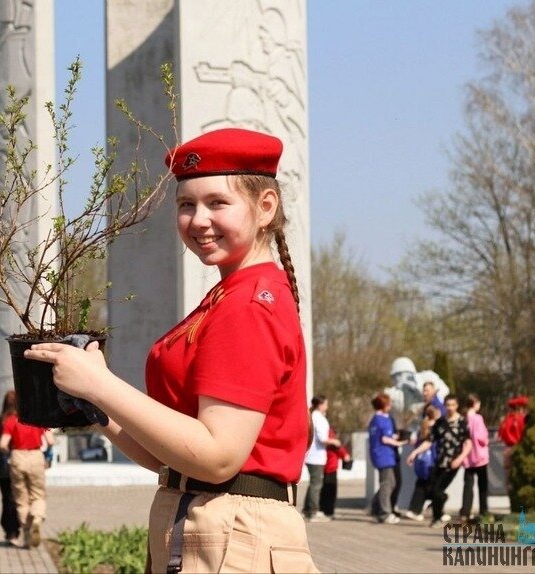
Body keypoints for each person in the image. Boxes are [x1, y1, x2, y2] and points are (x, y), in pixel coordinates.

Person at [24, 127, 318, 572]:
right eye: (186, 205)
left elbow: (218, 457)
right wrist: (96, 409)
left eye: (217, 203)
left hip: (234, 532)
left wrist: (100, 385)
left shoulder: (247, 306)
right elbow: (170, 456)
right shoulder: (228, 298)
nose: (198, 219)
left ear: (265, 207)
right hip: (214, 524)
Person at [406, 393, 472, 528]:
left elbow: (468, 443)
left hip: (453, 463)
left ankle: (438, 516)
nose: (450, 408)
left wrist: (460, 458)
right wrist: (415, 452)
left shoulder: (462, 422)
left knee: (437, 490)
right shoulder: (440, 422)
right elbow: (430, 441)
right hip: (439, 461)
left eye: (453, 405)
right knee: (434, 489)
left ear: (457, 406)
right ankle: (438, 515)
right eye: (448, 405)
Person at [0, 400, 54, 549]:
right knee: (38, 494)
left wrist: (9, 454)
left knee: (21, 499)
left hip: (18, 457)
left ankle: (27, 534)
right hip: (36, 456)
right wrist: (47, 455)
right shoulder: (38, 418)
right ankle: (37, 519)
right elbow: (50, 441)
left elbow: (2, 444)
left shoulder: (11, 421)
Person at [369, 393, 406, 524]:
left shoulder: (376, 419)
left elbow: (386, 435)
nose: (390, 406)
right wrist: (398, 443)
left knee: (390, 483)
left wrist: (396, 437)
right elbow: (385, 438)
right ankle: (385, 513)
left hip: (381, 455)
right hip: (384, 456)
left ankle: (375, 507)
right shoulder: (382, 419)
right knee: (387, 484)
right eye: (388, 404)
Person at [303, 395, 338, 523]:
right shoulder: (318, 418)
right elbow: (323, 439)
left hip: (312, 456)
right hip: (316, 457)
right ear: (320, 404)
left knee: (313, 483)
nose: (327, 407)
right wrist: (335, 442)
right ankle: (313, 511)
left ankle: (307, 509)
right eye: (326, 404)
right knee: (316, 485)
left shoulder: (313, 416)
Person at [0, 391, 21, 547]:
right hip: (17, 461)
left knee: (6, 498)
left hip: (2, 465)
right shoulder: (19, 420)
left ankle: (8, 528)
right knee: (17, 498)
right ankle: (14, 531)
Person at [403, 404, 440, 521]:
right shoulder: (434, 427)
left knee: (421, 484)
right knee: (434, 486)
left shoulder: (422, 427)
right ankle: (436, 510)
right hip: (432, 461)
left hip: (421, 461)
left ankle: (415, 509)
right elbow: (429, 443)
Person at [460, 394, 490, 523]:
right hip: (480, 456)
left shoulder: (463, 418)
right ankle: (484, 511)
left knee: (468, 485)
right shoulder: (478, 418)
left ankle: (465, 512)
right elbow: (481, 437)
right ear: (475, 403)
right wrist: (486, 441)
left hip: (467, 457)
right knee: (482, 485)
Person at [498, 395, 528, 496]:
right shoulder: (522, 419)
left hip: (508, 449)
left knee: (509, 478)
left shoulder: (506, 420)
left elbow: (501, 436)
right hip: (520, 448)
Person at [319, 425, 350, 519]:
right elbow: (337, 446)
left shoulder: (325, 434)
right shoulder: (330, 434)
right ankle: (328, 512)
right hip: (330, 467)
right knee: (330, 491)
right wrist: (345, 454)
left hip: (326, 466)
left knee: (325, 490)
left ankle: (323, 510)